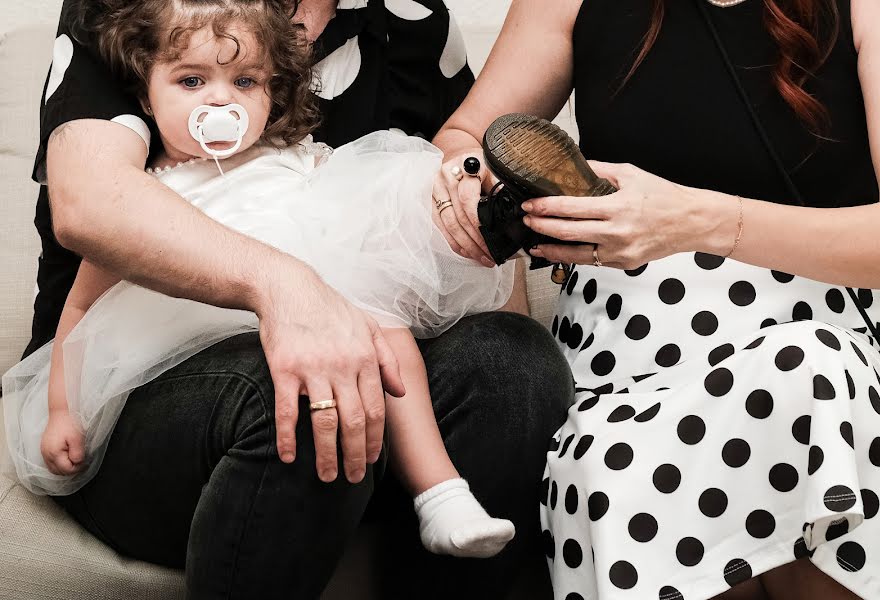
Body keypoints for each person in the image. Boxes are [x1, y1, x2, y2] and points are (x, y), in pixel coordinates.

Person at [11, 0, 573, 597]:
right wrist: (288, 292)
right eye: (193, 81)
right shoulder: (146, 22)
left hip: (375, 386)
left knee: (515, 358)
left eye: (246, 81)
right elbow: (93, 212)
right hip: (166, 393)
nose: (219, 101)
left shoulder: (409, 28)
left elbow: (436, 196)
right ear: (147, 97)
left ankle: (443, 500)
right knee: (306, 385)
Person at [430, 0, 880, 598]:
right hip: (626, 374)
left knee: (807, 378)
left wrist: (699, 221)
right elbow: (465, 139)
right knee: (608, 466)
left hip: (827, 354)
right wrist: (470, 181)